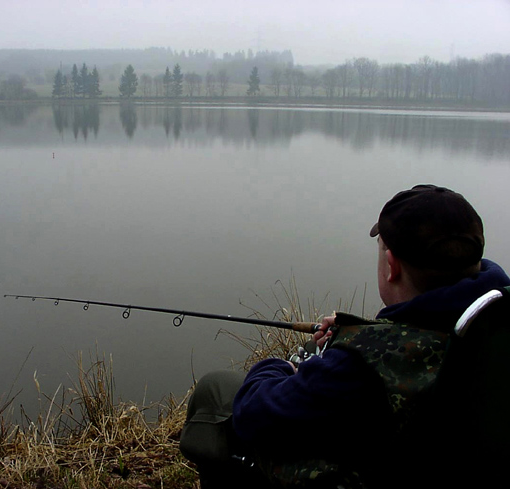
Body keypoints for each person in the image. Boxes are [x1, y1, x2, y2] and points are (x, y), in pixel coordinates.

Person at [180, 184, 510, 489]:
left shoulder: (356, 369)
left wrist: (278, 367)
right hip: (449, 452)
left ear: (391, 266)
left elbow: (255, 413)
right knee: (313, 347)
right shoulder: (492, 320)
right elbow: (416, 334)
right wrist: (356, 333)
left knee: (216, 388)